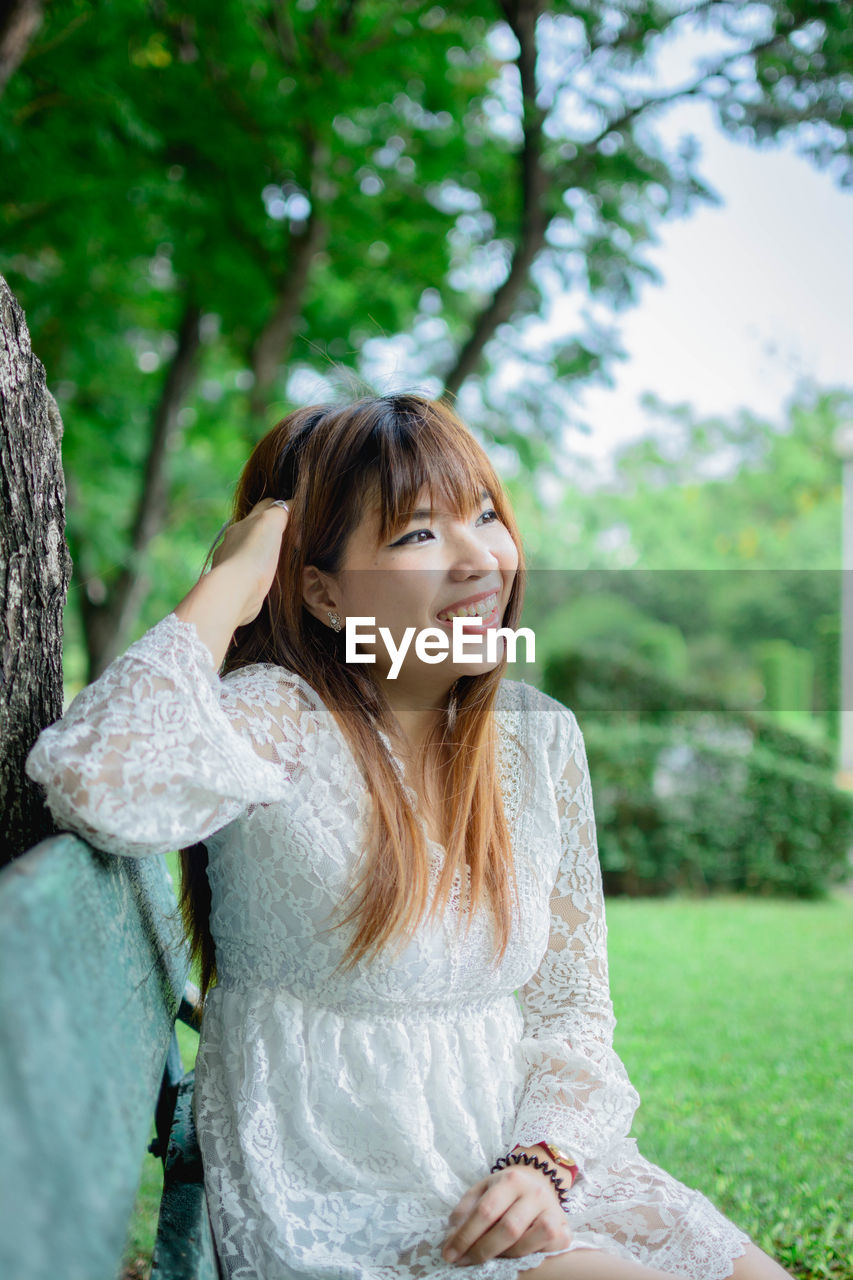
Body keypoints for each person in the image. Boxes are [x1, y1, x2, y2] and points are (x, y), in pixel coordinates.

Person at [26, 394, 791, 1280]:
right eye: (418, 535)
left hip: (513, 1160)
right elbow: (95, 777)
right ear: (319, 589)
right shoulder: (284, 720)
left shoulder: (535, 738)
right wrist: (233, 583)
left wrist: (543, 1161)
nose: (479, 561)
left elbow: (571, 1012)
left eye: (484, 516)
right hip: (346, 1186)